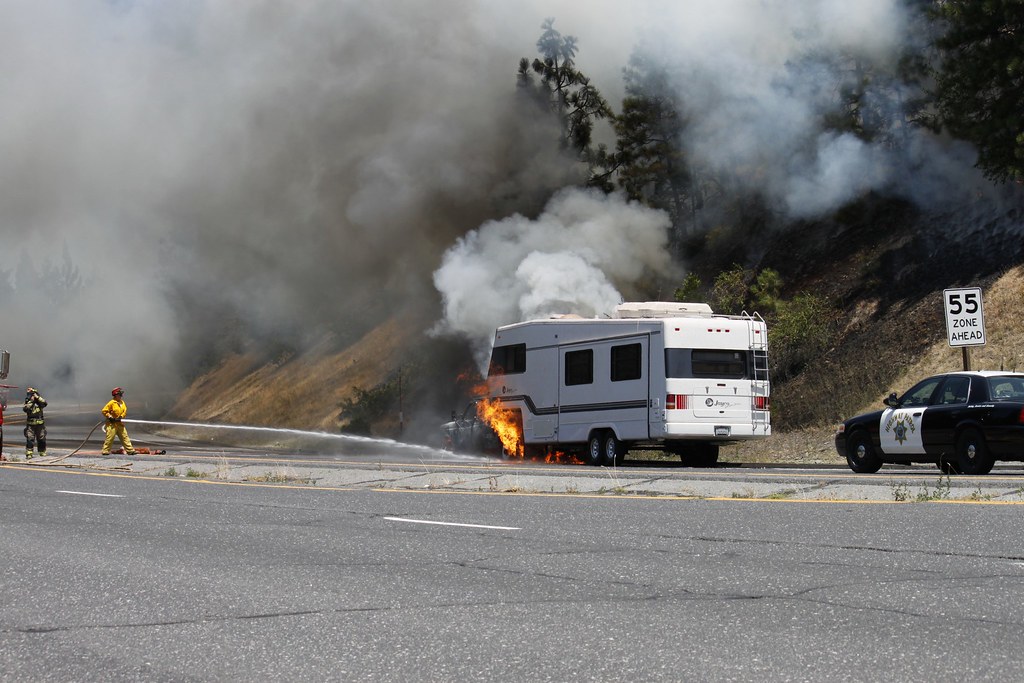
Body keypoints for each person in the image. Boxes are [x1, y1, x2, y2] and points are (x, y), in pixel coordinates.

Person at [101, 387, 136, 456]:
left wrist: (121, 417)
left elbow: (125, 410)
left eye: (121, 395)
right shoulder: (111, 403)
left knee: (125, 437)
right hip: (112, 424)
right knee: (110, 438)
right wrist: (110, 417)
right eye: (119, 394)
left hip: (119, 423)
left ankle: (130, 450)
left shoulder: (122, 402)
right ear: (115, 395)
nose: (121, 396)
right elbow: (104, 411)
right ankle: (105, 451)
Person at [23, 387, 47, 459]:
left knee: (41, 438)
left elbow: (45, 403)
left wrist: (37, 397)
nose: (33, 396)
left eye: (33, 394)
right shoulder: (28, 401)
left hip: (40, 424)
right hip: (31, 425)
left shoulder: (40, 401)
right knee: (30, 439)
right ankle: (29, 453)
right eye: (31, 394)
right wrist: (31, 401)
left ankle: (42, 452)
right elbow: (25, 409)